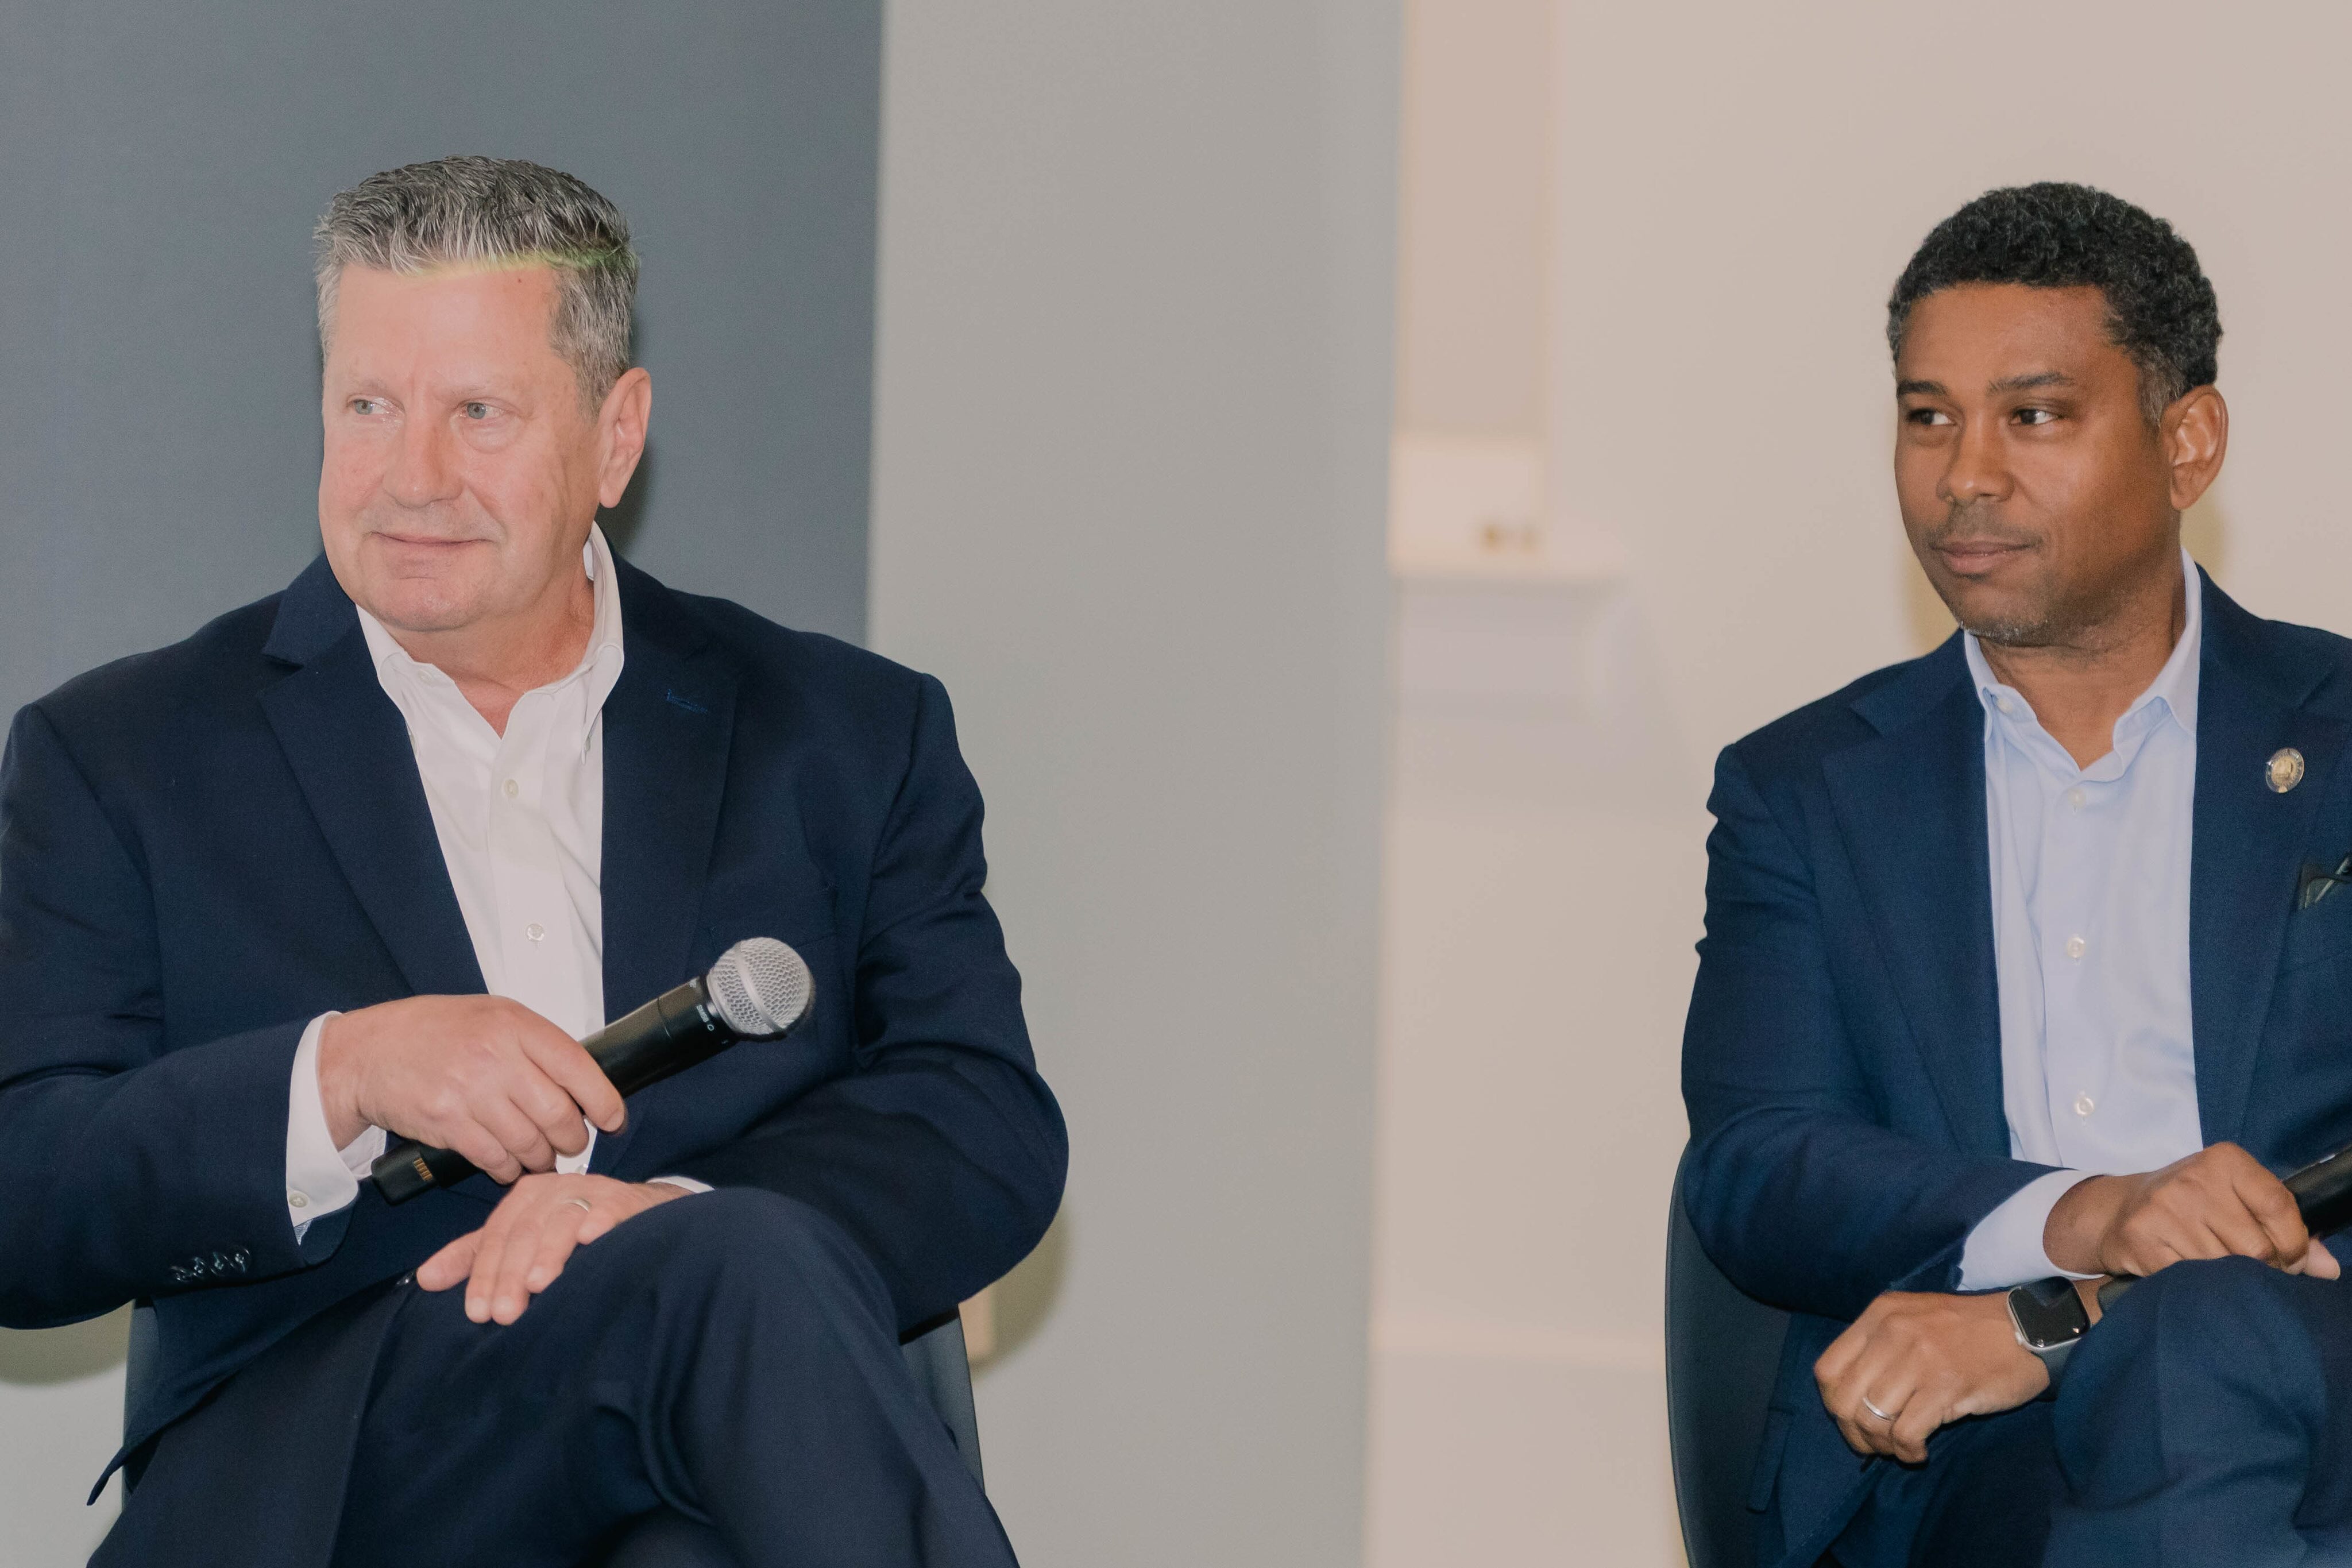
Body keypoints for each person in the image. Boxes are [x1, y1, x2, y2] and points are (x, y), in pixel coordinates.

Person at [0, 156, 1065, 1566]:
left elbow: (982, 1119)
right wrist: (345, 1073)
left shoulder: (844, 732)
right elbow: (23, 1202)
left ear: (615, 435)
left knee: (714, 1370)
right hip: (337, 1473)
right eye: (368, 407)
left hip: (708, 1456)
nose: (412, 477)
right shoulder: (125, 753)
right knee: (738, 1270)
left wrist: (655, 1221)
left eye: (479, 414)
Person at [1681, 180, 2352, 1567]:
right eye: (1927, 416)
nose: (1963, 475)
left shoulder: (2337, 738)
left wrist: (2064, 1316)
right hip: (1966, 1450)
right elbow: (1758, 1166)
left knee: (2198, 1351)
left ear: (2185, 443)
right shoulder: (1804, 789)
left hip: (2316, 1380)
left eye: (2032, 415)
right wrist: (2083, 1218)